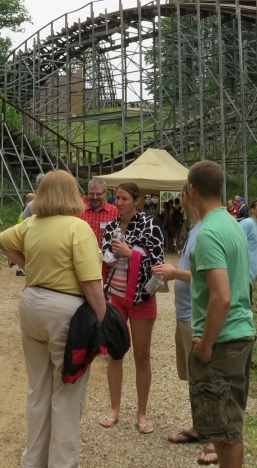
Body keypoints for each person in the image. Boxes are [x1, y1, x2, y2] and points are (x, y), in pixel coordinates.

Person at [0, 170, 107, 468]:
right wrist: (104, 324)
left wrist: (28, 266)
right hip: (65, 311)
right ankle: (62, 463)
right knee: (68, 392)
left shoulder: (31, 224)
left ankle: (32, 461)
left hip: (32, 303)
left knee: (38, 388)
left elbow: (2, 240)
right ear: (73, 194)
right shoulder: (78, 227)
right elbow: (90, 284)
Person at [186, 161, 255, 468]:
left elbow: (221, 297)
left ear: (191, 190)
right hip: (240, 335)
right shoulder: (232, 224)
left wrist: (206, 346)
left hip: (222, 343)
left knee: (225, 431)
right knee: (230, 427)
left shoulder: (208, 233)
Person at [152, 182, 216, 465]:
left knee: (205, 377)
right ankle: (200, 427)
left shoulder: (206, 231)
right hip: (184, 312)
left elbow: (208, 279)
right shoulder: (195, 228)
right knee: (193, 376)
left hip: (197, 315)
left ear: (190, 195)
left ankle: (214, 440)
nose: (181, 199)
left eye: (183, 195)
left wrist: (175, 272)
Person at [98, 181, 165, 434]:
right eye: (117, 198)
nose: (120, 203)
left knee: (142, 357)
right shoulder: (112, 227)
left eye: (125, 198)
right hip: (115, 296)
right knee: (115, 353)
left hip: (141, 298)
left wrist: (130, 253)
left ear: (137, 201)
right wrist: (110, 255)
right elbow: (103, 254)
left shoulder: (151, 226)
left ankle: (142, 412)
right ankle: (114, 408)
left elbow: (158, 264)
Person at [239, 198, 257, 303]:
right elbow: (233, 245)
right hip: (242, 279)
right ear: (252, 210)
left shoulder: (254, 226)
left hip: (247, 279)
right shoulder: (248, 224)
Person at [79, 178, 118, 249]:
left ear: (105, 193)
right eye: (91, 194)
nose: (95, 197)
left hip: (107, 258)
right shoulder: (79, 212)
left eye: (98, 194)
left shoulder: (116, 212)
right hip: (86, 256)